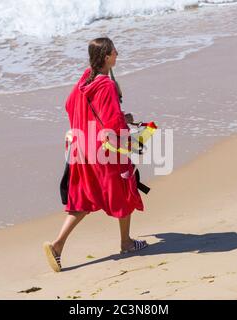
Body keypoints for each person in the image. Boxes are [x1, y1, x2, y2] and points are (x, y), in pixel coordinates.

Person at [43, 37, 148, 272]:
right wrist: (128, 127)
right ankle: (126, 243)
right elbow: (112, 121)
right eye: (114, 51)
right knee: (126, 186)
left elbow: (70, 104)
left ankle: (57, 246)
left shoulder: (85, 78)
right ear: (106, 57)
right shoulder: (107, 85)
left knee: (84, 199)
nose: (117, 53)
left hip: (81, 148)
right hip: (105, 150)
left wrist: (77, 130)